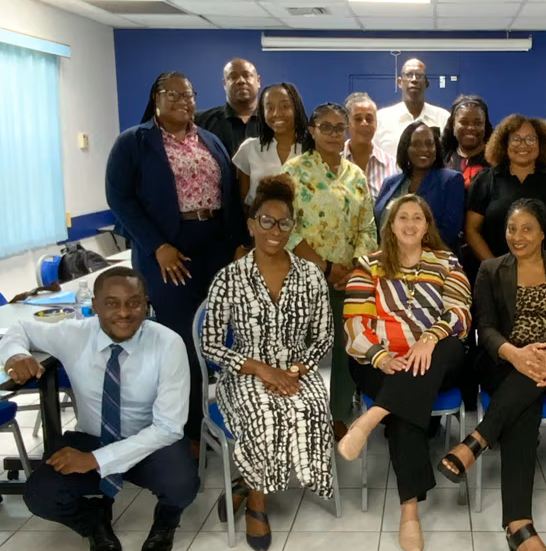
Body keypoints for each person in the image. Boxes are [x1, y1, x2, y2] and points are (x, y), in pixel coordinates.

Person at [0, 267, 197, 551]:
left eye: (134, 302)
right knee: (40, 495)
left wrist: (95, 460)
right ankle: (93, 521)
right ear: (94, 306)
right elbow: (20, 328)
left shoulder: (168, 344)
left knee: (183, 483)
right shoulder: (74, 333)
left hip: (148, 441)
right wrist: (16, 354)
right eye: (111, 303)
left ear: (146, 303)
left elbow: (168, 427)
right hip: (92, 436)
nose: (124, 313)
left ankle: (166, 521)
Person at [106, 72, 246, 453]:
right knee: (181, 340)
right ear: (156, 99)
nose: (184, 101)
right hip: (170, 252)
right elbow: (120, 200)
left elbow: (229, 195)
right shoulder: (134, 142)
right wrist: (157, 246)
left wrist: (237, 244)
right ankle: (187, 431)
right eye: (174, 95)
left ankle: (227, 417)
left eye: (189, 95)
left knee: (219, 334)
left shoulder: (209, 139)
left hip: (214, 245)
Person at [436, 198, 546, 551]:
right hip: (503, 359)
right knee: (524, 405)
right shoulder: (490, 268)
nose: (517, 236)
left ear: (544, 232)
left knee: (526, 391)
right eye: (511, 229)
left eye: (527, 229)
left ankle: (476, 442)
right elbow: (484, 328)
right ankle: (518, 524)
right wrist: (514, 353)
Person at [201, 177, 334, 551]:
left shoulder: (310, 276)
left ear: (293, 228)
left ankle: (246, 478)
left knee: (309, 406)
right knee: (264, 411)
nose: (275, 231)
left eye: (284, 223)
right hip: (244, 371)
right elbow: (210, 343)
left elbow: (323, 337)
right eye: (266, 221)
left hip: (296, 373)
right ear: (251, 224)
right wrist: (261, 369)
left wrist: (296, 370)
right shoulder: (229, 278)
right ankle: (257, 504)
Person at [339, 195, 471, 551]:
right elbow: (354, 324)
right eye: (403, 218)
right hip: (380, 362)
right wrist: (381, 357)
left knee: (451, 345)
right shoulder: (368, 265)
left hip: (435, 356)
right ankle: (409, 513)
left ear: (427, 226)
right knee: (405, 401)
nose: (410, 224)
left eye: (418, 218)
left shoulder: (447, 262)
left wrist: (429, 338)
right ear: (391, 225)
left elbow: (460, 313)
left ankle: (371, 418)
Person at [282, 102, 378, 441]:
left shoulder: (355, 174)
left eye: (340, 127)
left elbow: (368, 226)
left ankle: (338, 415)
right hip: (303, 277)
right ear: (312, 130)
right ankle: (296, 416)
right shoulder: (293, 172)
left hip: (347, 278)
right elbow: (286, 228)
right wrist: (325, 267)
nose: (335, 134)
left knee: (346, 347)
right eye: (327, 127)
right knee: (297, 350)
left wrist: (352, 268)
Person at [466, 115, 546, 264]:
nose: (523, 145)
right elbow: (472, 231)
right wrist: (494, 268)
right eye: (516, 139)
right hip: (495, 276)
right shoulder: (486, 179)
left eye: (531, 139)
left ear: (541, 143)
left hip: (545, 277)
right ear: (505, 144)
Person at [374, 121, 465, 251]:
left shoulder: (451, 180)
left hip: (430, 264)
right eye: (416, 144)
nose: (423, 149)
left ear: (436, 148)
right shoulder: (390, 182)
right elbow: (377, 225)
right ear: (406, 148)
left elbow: (448, 233)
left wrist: (409, 256)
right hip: (387, 262)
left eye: (429, 144)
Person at [232, 83, 307, 207]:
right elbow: (243, 198)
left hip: (306, 224)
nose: (277, 113)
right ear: (262, 112)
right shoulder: (250, 148)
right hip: (261, 223)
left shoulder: (312, 148)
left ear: (296, 108)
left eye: (285, 106)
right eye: (270, 108)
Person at [375, 58, 451, 155]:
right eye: (408, 75)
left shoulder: (443, 118)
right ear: (400, 82)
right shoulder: (381, 119)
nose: (414, 79)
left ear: (426, 83)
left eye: (419, 75)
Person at [195, 58, 261, 158]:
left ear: (258, 81)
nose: (241, 81)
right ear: (225, 84)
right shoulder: (201, 122)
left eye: (247, 75)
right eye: (233, 77)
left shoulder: (274, 122)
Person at [343, 92, 401, 199]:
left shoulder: (392, 166)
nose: (364, 123)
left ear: (376, 123)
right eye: (358, 119)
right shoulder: (333, 161)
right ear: (347, 123)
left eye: (369, 119)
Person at [441, 95, 493, 187]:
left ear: (485, 126)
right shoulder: (442, 158)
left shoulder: (496, 160)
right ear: (453, 125)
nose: (471, 128)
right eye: (464, 122)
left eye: (478, 123)